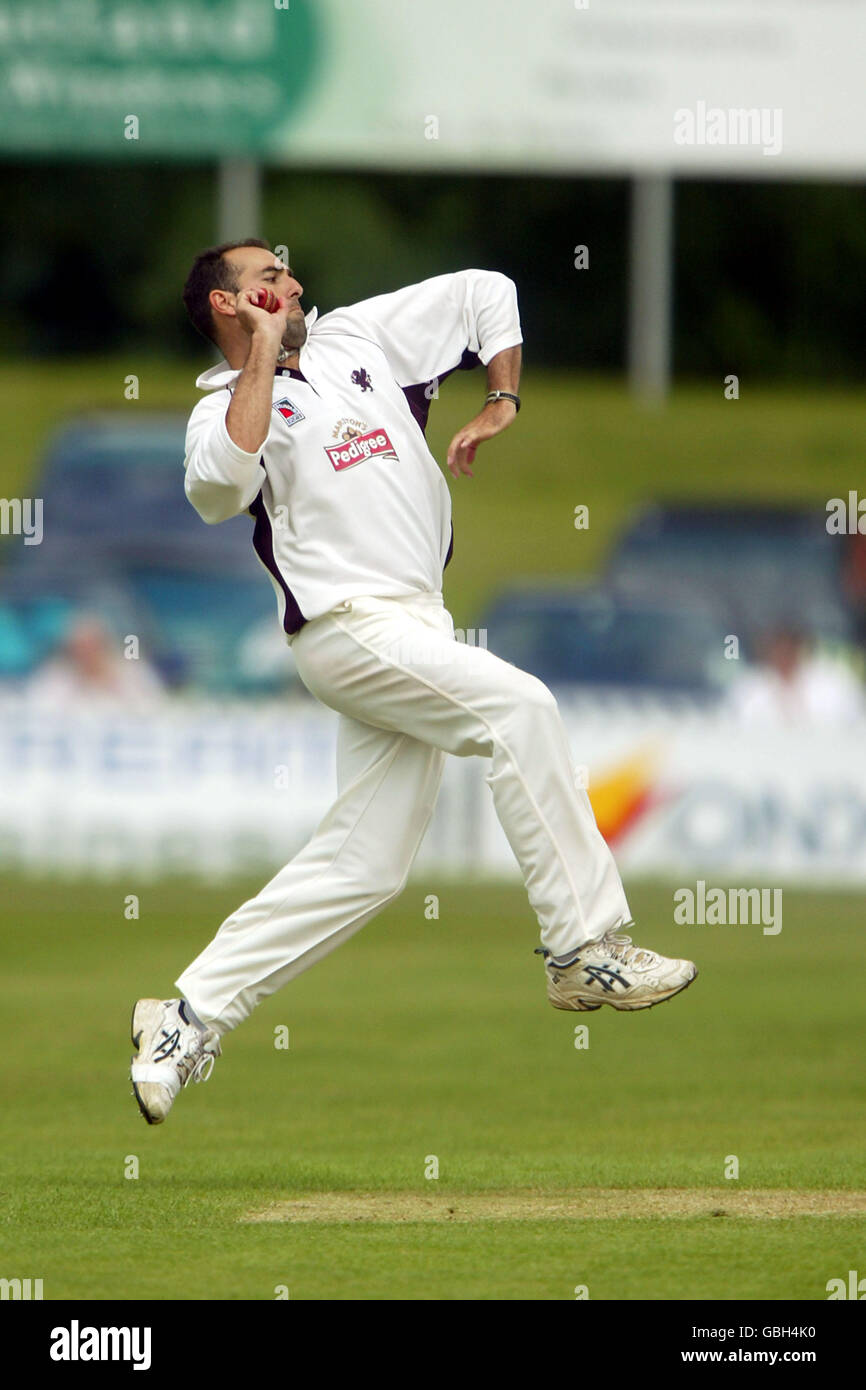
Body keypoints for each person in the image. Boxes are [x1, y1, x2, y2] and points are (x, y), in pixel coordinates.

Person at [129, 239, 696, 1125]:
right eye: (269, 280)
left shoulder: (362, 340)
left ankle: (186, 1016)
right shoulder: (222, 411)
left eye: (288, 273)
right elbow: (219, 485)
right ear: (227, 309)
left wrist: (502, 395)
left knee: (366, 864)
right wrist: (267, 357)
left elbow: (486, 290)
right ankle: (584, 947)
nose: (294, 284)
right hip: (347, 629)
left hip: (415, 624)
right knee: (521, 707)